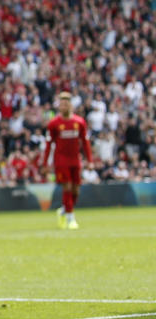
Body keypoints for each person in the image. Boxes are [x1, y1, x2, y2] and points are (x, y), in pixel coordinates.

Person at [42, 92, 92, 229]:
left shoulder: (79, 122)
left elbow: (85, 142)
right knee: (67, 187)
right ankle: (71, 219)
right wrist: (45, 163)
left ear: (71, 105)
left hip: (75, 160)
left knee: (76, 191)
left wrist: (90, 160)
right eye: (61, 104)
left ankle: (64, 210)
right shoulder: (54, 124)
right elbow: (48, 145)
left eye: (66, 103)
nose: (63, 106)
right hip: (61, 160)